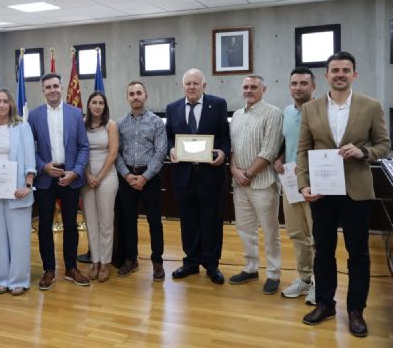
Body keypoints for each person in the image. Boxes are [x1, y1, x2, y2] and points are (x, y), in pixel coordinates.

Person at [297, 52, 390, 337]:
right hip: (322, 191)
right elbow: (302, 150)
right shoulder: (310, 108)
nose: (340, 74)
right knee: (323, 251)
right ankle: (325, 304)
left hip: (356, 191)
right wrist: (303, 184)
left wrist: (363, 152)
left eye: (345, 70)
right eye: (335, 70)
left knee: (358, 253)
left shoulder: (371, 106)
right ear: (326, 75)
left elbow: (384, 145)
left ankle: (355, 310)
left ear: (354, 75)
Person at [165, 69, 230, 285]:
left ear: (204, 85)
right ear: (182, 86)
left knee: (212, 221)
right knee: (189, 221)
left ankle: (212, 264)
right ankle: (191, 261)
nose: (191, 87)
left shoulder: (218, 104)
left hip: (211, 174)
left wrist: (223, 153)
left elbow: (225, 136)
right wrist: (171, 149)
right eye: (188, 83)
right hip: (184, 176)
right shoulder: (172, 108)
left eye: (195, 83)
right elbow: (169, 137)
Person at [28, 73, 90, 290]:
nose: (52, 90)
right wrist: (43, 166)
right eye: (48, 87)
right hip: (46, 177)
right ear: (43, 90)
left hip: (69, 176)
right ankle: (49, 270)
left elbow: (83, 146)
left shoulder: (76, 113)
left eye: (55, 86)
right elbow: (29, 148)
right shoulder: (34, 116)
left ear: (62, 87)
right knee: (45, 226)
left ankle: (71, 268)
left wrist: (76, 172)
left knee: (71, 225)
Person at [229, 75, 283, 294]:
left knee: (270, 231)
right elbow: (233, 148)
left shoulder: (273, 113)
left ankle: (273, 273)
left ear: (263, 89)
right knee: (245, 229)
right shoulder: (237, 115)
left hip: (263, 182)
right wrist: (235, 171)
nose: (249, 90)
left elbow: (270, 150)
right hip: (240, 183)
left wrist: (248, 173)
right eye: (245, 87)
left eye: (253, 87)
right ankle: (251, 268)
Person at [0, 89, 35, 295]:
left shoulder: (22, 127)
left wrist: (27, 185)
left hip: (17, 190)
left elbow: (30, 158)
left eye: (5, 101)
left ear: (11, 104)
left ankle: (18, 279)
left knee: (19, 237)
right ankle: (1, 278)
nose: (1, 105)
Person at [115, 81, 167, 282]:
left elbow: (161, 151)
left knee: (155, 221)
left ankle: (157, 262)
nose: (135, 97)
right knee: (128, 221)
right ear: (127, 98)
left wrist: (145, 177)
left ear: (146, 95)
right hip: (127, 177)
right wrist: (127, 175)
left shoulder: (157, 122)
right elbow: (116, 153)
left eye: (139, 93)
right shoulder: (120, 124)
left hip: (150, 178)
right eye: (131, 94)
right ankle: (131, 259)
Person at [274, 67, 316, 303]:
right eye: (294, 83)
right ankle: (305, 278)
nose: (298, 88)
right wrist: (279, 157)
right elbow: (286, 142)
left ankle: (321, 283)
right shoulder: (287, 112)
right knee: (297, 233)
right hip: (290, 180)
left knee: (318, 236)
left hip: (314, 183)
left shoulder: (322, 110)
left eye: (303, 83)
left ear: (313, 86)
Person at [81, 91, 118, 282]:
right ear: (88, 105)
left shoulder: (110, 125)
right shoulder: (82, 125)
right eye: (94, 102)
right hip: (86, 176)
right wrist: (88, 175)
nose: (97, 106)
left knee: (106, 221)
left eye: (101, 103)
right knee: (91, 221)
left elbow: (113, 153)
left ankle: (105, 262)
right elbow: (79, 151)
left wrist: (99, 177)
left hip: (107, 175)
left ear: (105, 106)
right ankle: (95, 260)